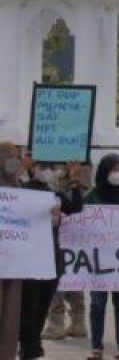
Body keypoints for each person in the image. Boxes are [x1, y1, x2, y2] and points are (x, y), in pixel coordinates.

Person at [19, 157, 84, 360]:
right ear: (33, 167)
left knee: (43, 304)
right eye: (42, 166)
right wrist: (22, 170)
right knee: (28, 306)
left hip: (51, 258)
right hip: (28, 259)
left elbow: (75, 207)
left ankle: (31, 345)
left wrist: (74, 180)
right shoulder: (22, 190)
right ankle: (31, 348)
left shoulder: (53, 193)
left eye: (51, 167)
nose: (47, 170)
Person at [84, 153, 119, 360]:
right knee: (97, 304)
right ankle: (96, 348)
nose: (118, 174)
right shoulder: (91, 197)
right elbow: (77, 218)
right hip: (97, 261)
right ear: (104, 171)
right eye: (114, 169)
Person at [0, 141, 26, 360]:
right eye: (10, 156)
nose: (15, 161)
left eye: (17, 157)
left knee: (11, 313)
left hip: (14, 263)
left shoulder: (19, 187)